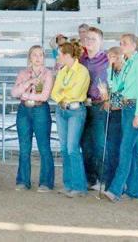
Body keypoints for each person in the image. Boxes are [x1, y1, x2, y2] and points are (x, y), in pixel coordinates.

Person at [103, 34, 138, 202]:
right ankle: (135, 190)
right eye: (120, 42)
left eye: (124, 43)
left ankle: (115, 189)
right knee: (131, 149)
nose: (121, 45)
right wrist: (110, 67)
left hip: (135, 107)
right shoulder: (127, 63)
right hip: (126, 107)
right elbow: (115, 86)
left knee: (125, 148)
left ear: (133, 46)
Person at [10, 45, 54, 192]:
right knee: (24, 147)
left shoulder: (48, 74)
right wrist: (28, 83)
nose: (37, 58)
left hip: (40, 109)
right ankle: (23, 180)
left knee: (44, 147)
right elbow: (14, 92)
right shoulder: (23, 73)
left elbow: (44, 96)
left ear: (44, 57)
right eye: (34, 55)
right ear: (30, 57)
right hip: (24, 111)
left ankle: (46, 182)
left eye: (40, 55)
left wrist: (26, 94)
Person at [51, 41, 89, 197]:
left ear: (67, 55)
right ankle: (68, 184)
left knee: (72, 148)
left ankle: (79, 186)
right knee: (65, 148)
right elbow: (54, 92)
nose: (58, 57)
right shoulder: (63, 70)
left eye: (59, 54)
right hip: (62, 110)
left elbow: (76, 92)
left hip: (75, 111)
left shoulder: (82, 71)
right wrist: (62, 97)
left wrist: (61, 95)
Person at [79, 26, 109, 191]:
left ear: (101, 42)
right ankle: (91, 179)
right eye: (87, 38)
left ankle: (104, 179)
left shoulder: (107, 59)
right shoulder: (80, 59)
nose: (89, 41)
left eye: (93, 39)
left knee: (99, 144)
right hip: (83, 105)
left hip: (99, 106)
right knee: (85, 144)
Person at [101, 47, 126, 190]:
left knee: (117, 149)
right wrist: (105, 99)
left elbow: (118, 90)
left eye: (113, 57)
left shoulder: (123, 73)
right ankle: (110, 184)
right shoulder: (111, 72)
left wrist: (113, 103)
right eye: (109, 57)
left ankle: (118, 185)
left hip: (120, 113)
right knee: (110, 149)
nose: (110, 60)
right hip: (110, 112)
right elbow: (109, 89)